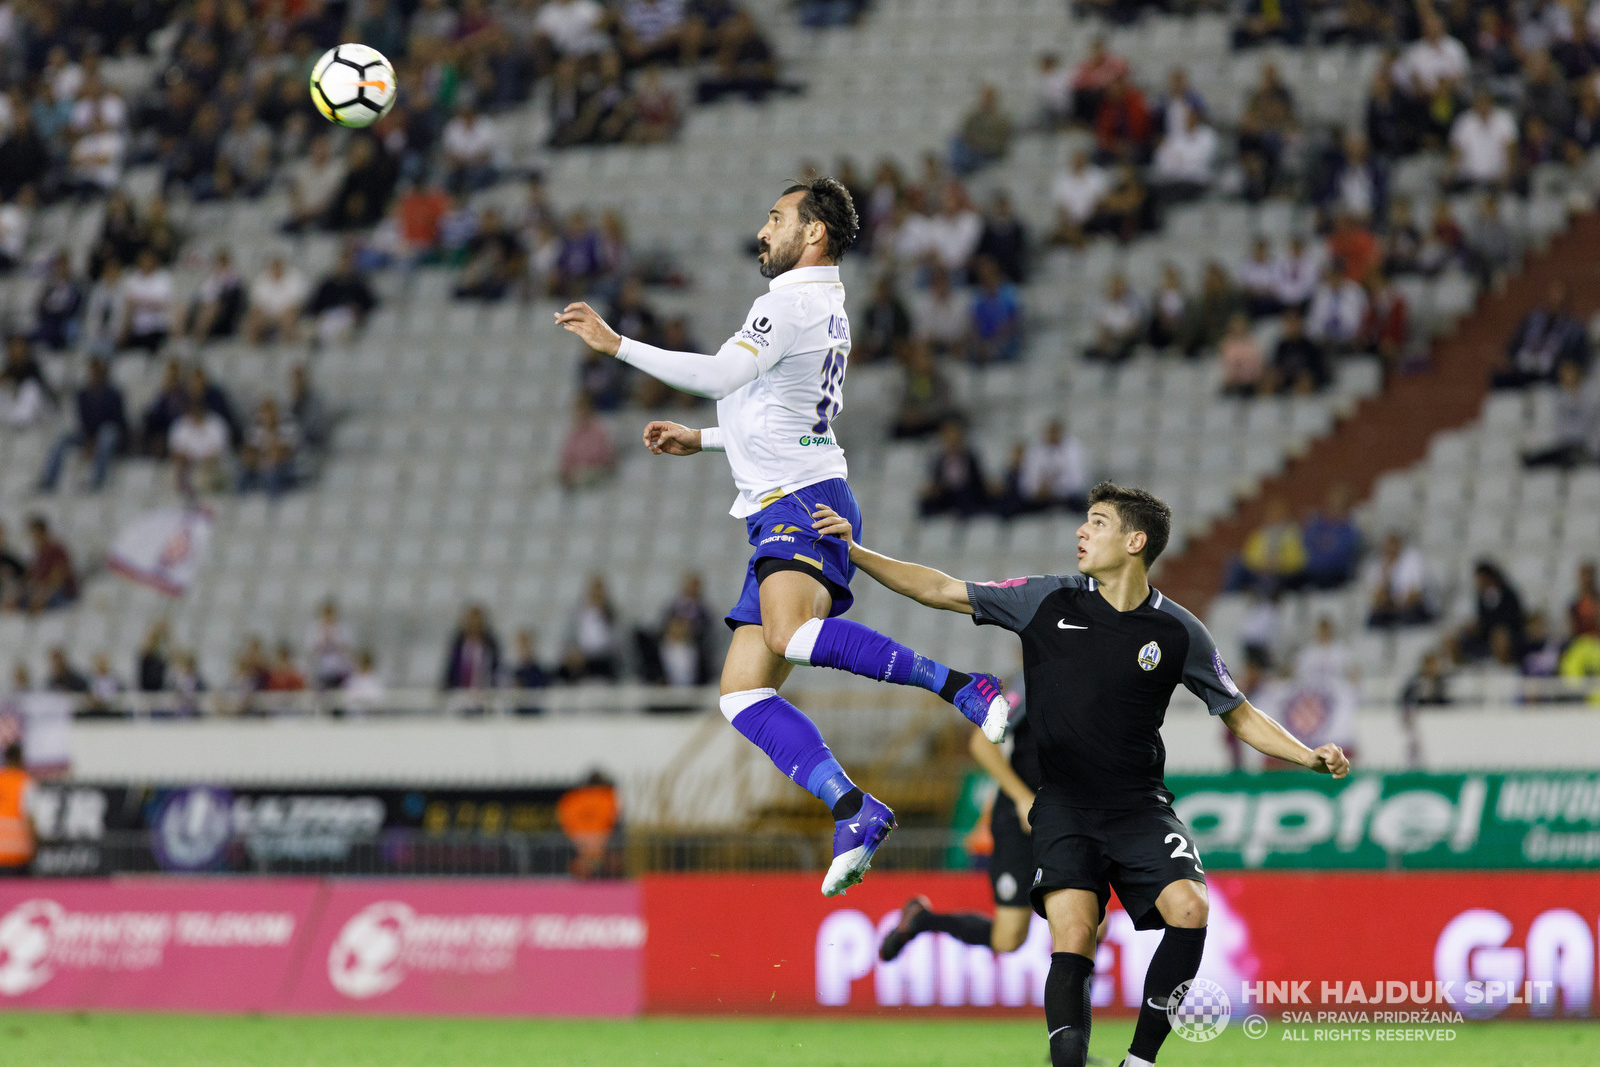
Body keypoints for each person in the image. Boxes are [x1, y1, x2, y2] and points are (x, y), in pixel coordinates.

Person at [554, 178, 1010, 896]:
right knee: (740, 694)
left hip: (801, 501)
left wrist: (616, 345)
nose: (762, 231)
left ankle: (961, 685)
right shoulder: (822, 303)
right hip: (785, 499)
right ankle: (853, 807)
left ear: (816, 234)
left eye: (776, 218)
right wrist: (704, 441)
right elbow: (778, 412)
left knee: (790, 635)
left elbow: (717, 375)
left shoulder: (790, 303)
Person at [811, 481, 1349, 1067]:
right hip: (1063, 804)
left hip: (1140, 805)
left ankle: (1139, 1062)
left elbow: (1239, 713)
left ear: (1135, 541)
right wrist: (856, 553)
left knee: (1191, 909)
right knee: (1074, 933)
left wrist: (1309, 755)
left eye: (1096, 522)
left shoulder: (1179, 632)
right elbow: (942, 589)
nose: (1081, 532)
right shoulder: (1046, 600)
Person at [881, 691, 1111, 963]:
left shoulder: (1095, 682)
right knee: (1009, 938)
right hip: (1020, 819)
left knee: (1093, 926)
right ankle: (922, 920)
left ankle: (1080, 1003)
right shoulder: (1030, 684)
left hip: (1066, 818)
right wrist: (1022, 798)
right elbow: (981, 744)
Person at [38, 357, 126, 493]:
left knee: (107, 433)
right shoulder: (82, 395)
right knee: (63, 439)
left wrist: (95, 442)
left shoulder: (113, 394)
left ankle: (97, 480)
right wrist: (88, 441)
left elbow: (118, 421)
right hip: (88, 435)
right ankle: (49, 480)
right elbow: (83, 422)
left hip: (110, 436)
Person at [1017, 419, 1089, 513]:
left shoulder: (1073, 449)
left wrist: (1054, 489)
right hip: (1042, 499)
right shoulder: (1036, 451)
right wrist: (1038, 489)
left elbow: (1078, 483)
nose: (1052, 435)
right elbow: (1027, 482)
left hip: (1067, 498)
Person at [443, 604, 502, 690]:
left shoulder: (490, 644)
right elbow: (451, 669)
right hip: (460, 691)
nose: (474, 623)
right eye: (472, 620)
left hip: (484, 691)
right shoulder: (458, 643)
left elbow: (496, 669)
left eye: (477, 620)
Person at [0, 742, 34, 877]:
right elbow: (30, 817)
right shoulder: (24, 782)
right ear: (21, 758)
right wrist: (35, 845)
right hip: (18, 854)